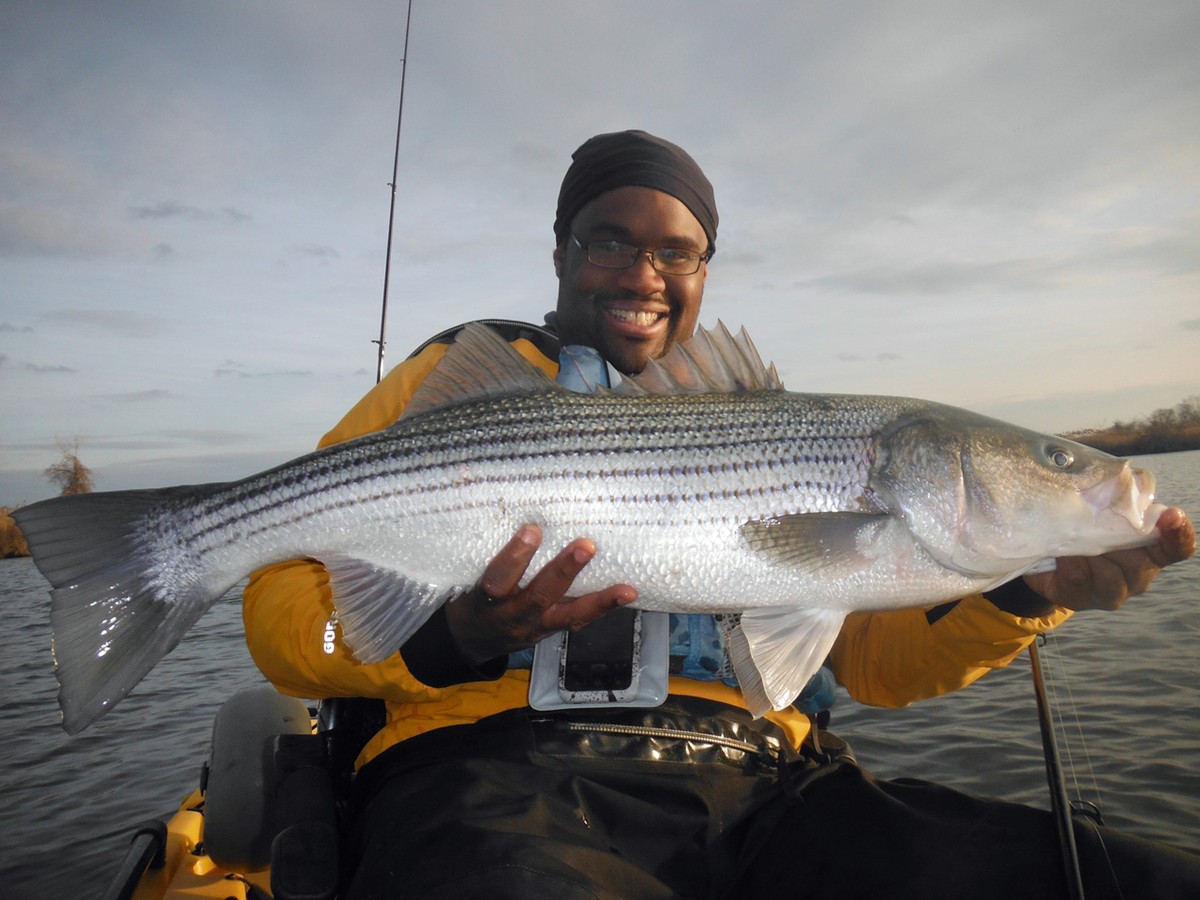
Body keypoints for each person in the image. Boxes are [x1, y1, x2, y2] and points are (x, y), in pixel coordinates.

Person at [243, 129, 1199, 899]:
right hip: (490, 772)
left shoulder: (783, 430)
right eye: (610, 241)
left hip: (765, 784)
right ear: (562, 252)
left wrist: (1027, 594)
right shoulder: (457, 379)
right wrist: (452, 636)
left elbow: (871, 667)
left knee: (1143, 880)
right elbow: (278, 607)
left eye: (677, 251)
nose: (643, 273)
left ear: (704, 267)